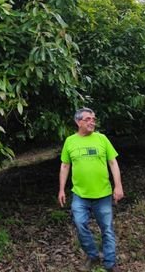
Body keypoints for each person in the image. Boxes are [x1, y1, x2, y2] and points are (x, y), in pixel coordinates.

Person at [58, 107, 124, 272]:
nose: (92, 122)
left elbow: (113, 163)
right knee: (80, 224)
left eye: (93, 119)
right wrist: (61, 190)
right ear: (78, 122)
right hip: (80, 194)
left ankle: (110, 264)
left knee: (107, 229)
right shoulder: (70, 141)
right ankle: (93, 255)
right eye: (88, 119)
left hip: (103, 194)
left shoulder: (102, 139)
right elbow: (65, 166)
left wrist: (118, 186)